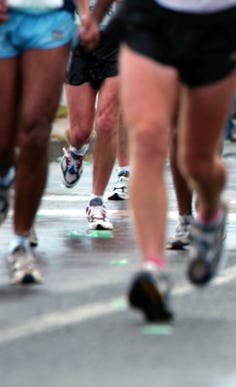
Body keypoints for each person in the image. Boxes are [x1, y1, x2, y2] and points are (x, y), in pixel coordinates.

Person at [112, 0, 236, 322]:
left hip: (215, 24)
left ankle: (212, 212)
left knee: (197, 161)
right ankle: (153, 270)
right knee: (147, 140)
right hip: (150, 16)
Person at [0, 0, 98, 284]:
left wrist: (85, 14)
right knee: (3, 142)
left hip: (51, 15)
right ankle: (6, 175)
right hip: (5, 16)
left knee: (34, 130)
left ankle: (20, 243)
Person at [60, 0, 127, 231]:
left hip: (116, 37)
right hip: (78, 36)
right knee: (80, 132)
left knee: (107, 121)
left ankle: (96, 201)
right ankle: (76, 151)